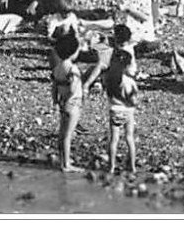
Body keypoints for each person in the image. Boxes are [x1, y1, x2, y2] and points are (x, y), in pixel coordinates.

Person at [50, 29, 97, 172]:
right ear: (73, 52)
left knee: (62, 133)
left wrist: (56, 100)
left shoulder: (58, 68)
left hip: (63, 102)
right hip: (73, 103)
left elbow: (54, 87)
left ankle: (63, 158)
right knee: (68, 135)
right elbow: (74, 86)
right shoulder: (73, 69)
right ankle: (66, 165)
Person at [102, 47, 139, 175]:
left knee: (114, 139)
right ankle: (133, 166)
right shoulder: (129, 82)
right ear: (126, 66)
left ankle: (111, 166)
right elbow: (133, 100)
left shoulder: (108, 78)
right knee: (129, 137)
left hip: (115, 110)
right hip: (128, 111)